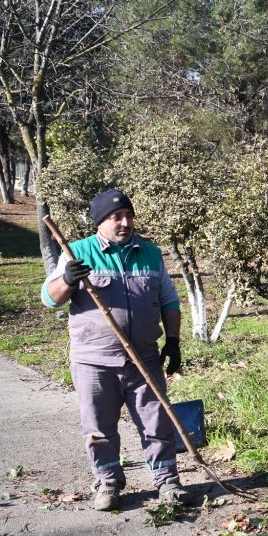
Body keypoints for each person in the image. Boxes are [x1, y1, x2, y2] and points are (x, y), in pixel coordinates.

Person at [40, 188, 190, 511]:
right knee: (98, 426)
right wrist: (67, 279)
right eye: (116, 217)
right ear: (100, 222)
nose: (125, 222)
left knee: (157, 422)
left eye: (128, 215)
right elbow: (49, 297)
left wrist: (174, 341)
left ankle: (167, 482)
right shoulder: (77, 252)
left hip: (144, 359)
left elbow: (169, 300)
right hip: (94, 362)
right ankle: (107, 481)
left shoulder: (150, 254)